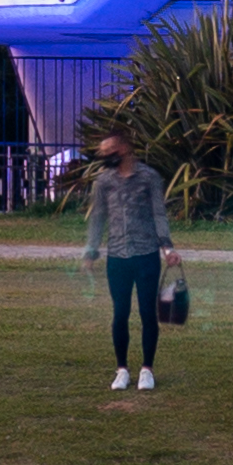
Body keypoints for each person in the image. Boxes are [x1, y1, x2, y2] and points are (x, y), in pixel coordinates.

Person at [86, 126, 168, 390]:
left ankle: (147, 368)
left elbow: (159, 214)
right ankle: (121, 369)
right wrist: (91, 249)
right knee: (120, 313)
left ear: (126, 148)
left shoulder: (149, 177)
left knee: (147, 312)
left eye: (111, 151)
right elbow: (98, 216)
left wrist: (167, 247)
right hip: (118, 255)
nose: (107, 156)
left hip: (146, 253)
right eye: (104, 152)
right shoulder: (104, 182)